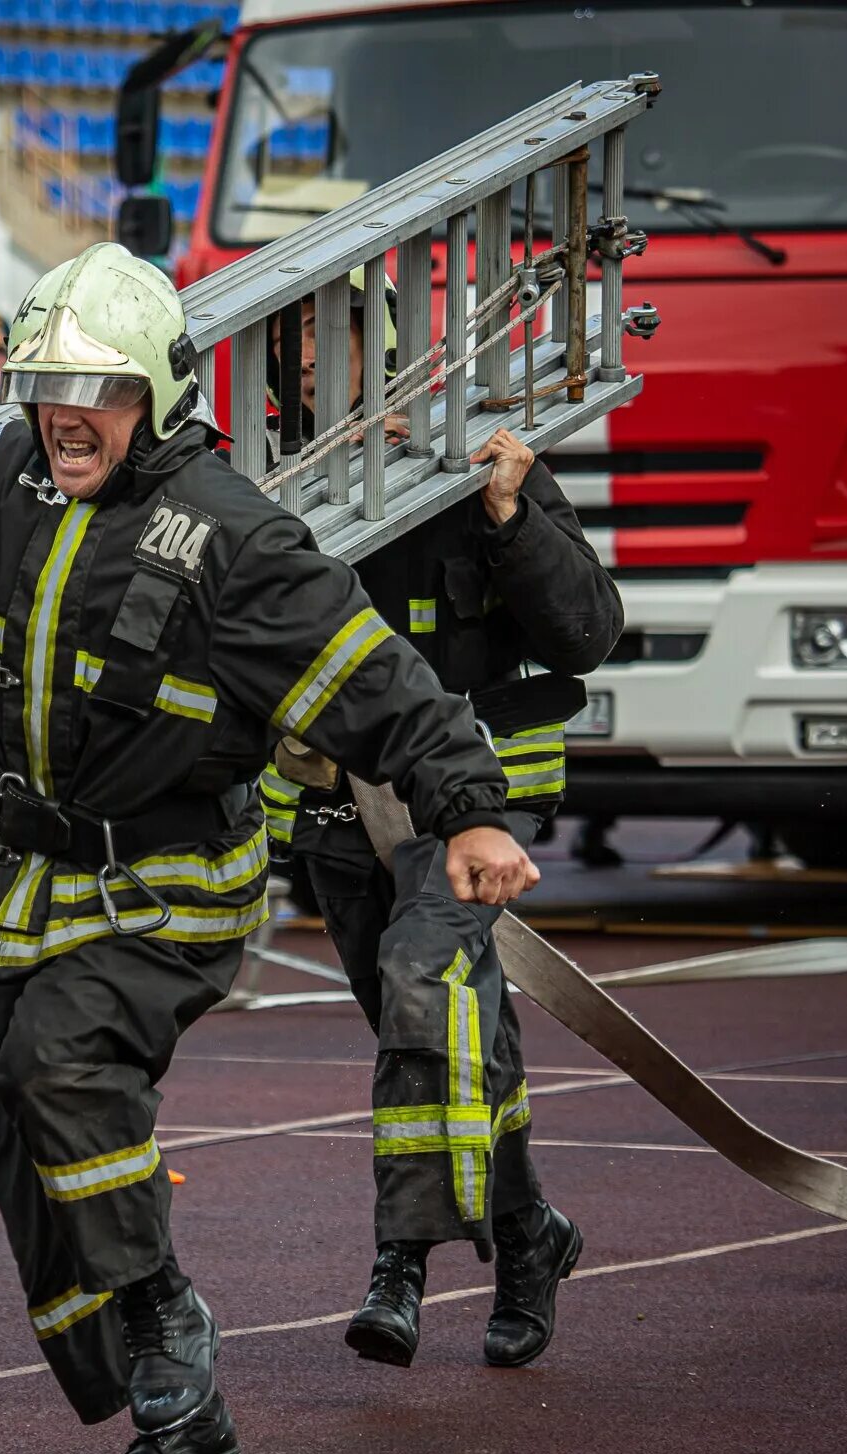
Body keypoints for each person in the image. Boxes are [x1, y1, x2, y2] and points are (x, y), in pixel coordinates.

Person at [0, 244, 538, 1454]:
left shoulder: (237, 539)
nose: (60, 410)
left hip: (169, 885)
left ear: (150, 386)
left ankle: (169, 1341)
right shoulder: (12, 479)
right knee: (29, 1153)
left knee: (63, 1067)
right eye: (41, 382)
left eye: (91, 384)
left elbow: (380, 683)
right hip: (29, 879)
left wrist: (467, 811)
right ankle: (172, 1412)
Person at [260, 271, 621, 1373]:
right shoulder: (269, 494)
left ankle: (399, 1263)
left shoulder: (476, 458)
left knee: (427, 988)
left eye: (340, 333)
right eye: (298, 341)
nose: (319, 357)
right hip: (339, 809)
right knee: (439, 1033)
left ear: (388, 344)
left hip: (472, 809)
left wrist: (507, 514)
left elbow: (587, 632)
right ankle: (527, 1236)